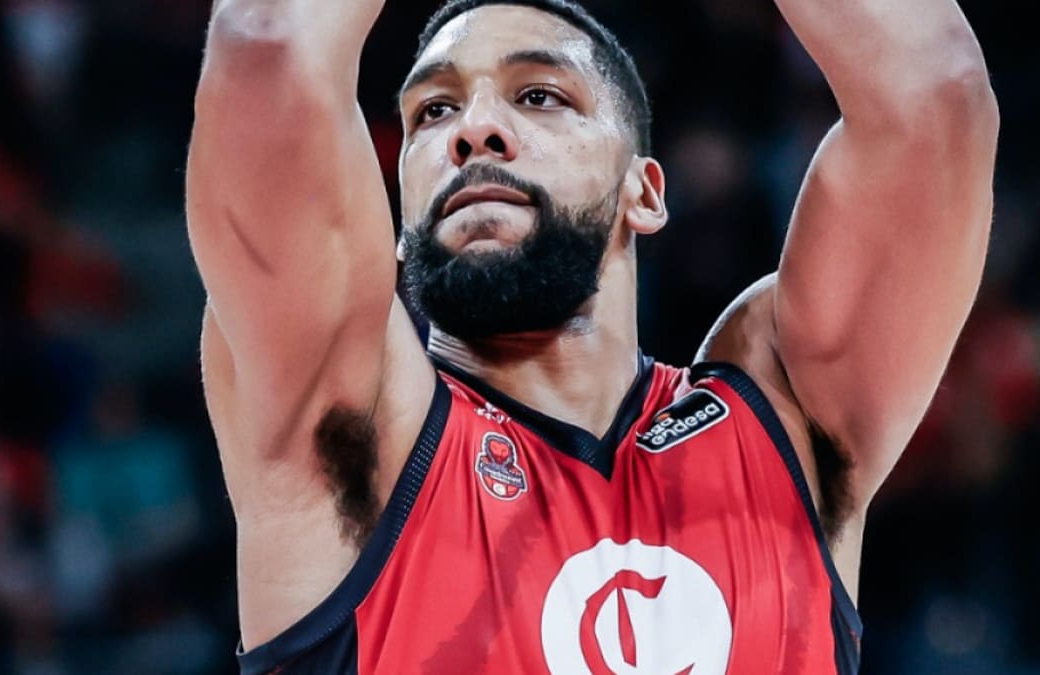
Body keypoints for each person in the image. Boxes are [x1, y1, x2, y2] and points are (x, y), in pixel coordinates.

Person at [185, 0, 998, 672]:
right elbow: (268, 45)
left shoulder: (782, 410)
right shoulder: (354, 422)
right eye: (434, 110)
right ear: (398, 223)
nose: (474, 129)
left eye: (539, 95)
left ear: (644, 192)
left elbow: (936, 96)